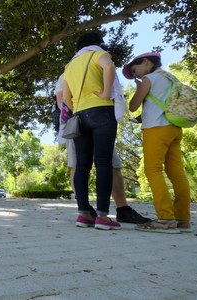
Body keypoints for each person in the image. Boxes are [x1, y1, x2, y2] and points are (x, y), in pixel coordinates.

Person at [55, 75, 151, 224]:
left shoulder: (99, 68)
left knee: (112, 165)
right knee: (77, 165)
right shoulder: (69, 72)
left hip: (101, 122)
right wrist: (83, 111)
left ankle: (122, 208)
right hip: (77, 122)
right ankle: (86, 210)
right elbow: (62, 102)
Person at [125, 52, 191, 233]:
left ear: (146, 62)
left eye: (134, 69)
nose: (135, 75)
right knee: (177, 173)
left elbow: (132, 106)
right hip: (174, 128)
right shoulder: (170, 78)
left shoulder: (149, 78)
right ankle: (182, 219)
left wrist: (139, 86)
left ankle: (165, 219)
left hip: (156, 129)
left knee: (153, 170)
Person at [61, 32, 121, 230]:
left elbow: (66, 99)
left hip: (79, 116)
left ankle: (83, 214)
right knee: (103, 162)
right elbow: (109, 66)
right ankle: (103, 216)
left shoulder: (70, 66)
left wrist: (76, 107)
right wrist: (105, 93)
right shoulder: (97, 53)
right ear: (97, 43)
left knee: (82, 166)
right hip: (101, 110)